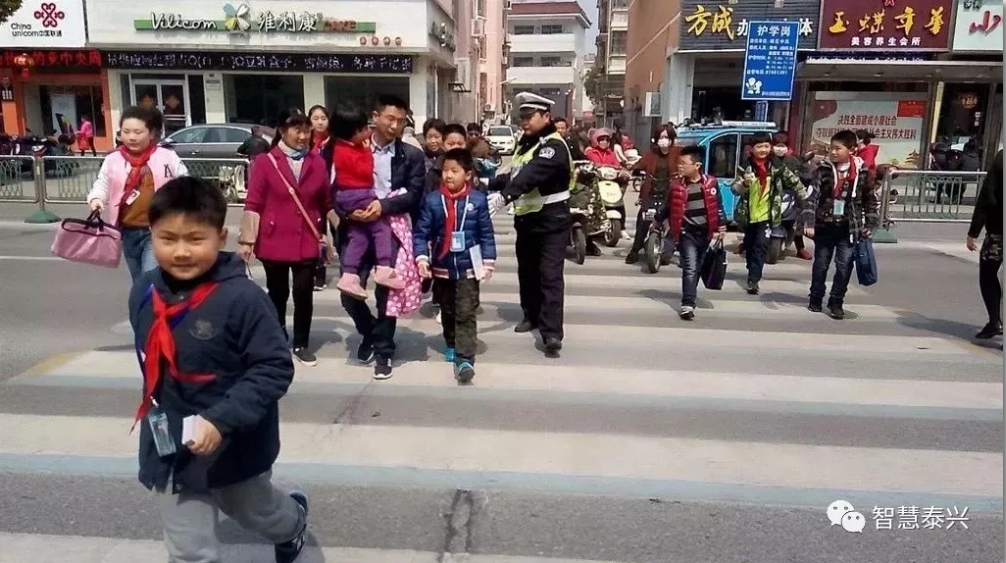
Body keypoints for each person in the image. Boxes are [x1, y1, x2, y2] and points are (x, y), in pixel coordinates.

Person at [130, 176, 308, 563]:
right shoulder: (144, 290)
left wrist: (220, 420)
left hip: (234, 439)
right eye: (167, 239)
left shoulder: (243, 299)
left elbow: (274, 367)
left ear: (221, 237)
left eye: (195, 239)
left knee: (257, 511)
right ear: (151, 234)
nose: (181, 252)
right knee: (189, 550)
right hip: (172, 443)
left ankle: (293, 523)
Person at [327, 95, 426, 380]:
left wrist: (383, 206)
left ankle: (383, 351)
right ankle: (370, 332)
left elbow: (414, 194)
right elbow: (333, 188)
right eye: (390, 119)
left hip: (389, 229)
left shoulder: (411, 155)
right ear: (376, 116)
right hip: (355, 227)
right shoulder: (349, 144)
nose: (395, 126)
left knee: (387, 294)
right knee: (349, 292)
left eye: (401, 121)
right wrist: (348, 212)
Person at [238, 108, 335, 367]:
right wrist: (247, 241)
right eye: (297, 130)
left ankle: (301, 342)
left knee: (304, 293)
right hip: (274, 238)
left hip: (307, 239)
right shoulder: (265, 162)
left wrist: (338, 229)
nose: (303, 136)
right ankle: (277, 337)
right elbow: (253, 203)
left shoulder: (317, 162)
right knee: (277, 293)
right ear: (282, 131)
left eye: (306, 130)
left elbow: (326, 202)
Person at [487, 92, 572, 355]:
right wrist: (486, 183)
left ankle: (551, 332)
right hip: (527, 219)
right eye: (521, 117)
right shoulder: (526, 145)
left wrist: (504, 197)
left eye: (529, 116)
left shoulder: (553, 146)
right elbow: (516, 174)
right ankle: (531, 315)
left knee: (549, 275)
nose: (523, 121)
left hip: (552, 220)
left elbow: (532, 175)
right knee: (527, 271)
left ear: (546, 116)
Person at [414, 148, 497, 383]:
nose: (448, 175)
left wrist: (488, 263)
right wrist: (421, 258)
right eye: (445, 171)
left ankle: (465, 359)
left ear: (468, 175)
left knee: (466, 311)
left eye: (454, 171)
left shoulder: (478, 201)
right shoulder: (433, 200)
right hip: (442, 267)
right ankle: (451, 341)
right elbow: (421, 233)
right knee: (448, 309)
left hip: (469, 266)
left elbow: (486, 234)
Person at [87, 105, 189, 282]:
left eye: (138, 132)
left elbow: (186, 185)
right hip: (127, 231)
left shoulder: (168, 157)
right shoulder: (113, 160)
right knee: (138, 280)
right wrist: (96, 199)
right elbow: (102, 184)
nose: (131, 137)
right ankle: (149, 301)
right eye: (126, 132)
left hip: (158, 230)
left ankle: (152, 300)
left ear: (151, 133)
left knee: (148, 278)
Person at [330, 104, 405, 298]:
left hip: (350, 197)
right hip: (359, 196)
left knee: (359, 236)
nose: (367, 132)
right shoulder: (351, 150)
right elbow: (363, 171)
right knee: (381, 230)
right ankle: (384, 268)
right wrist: (366, 153)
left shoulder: (339, 147)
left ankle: (349, 275)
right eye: (363, 129)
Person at [806, 130, 880, 319]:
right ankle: (815, 297)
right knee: (821, 264)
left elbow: (870, 199)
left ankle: (836, 301)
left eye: (838, 149)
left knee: (844, 266)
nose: (833, 152)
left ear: (852, 150)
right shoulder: (822, 170)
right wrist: (809, 222)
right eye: (831, 148)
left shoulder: (862, 171)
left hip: (849, 227)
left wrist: (870, 224)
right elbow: (811, 197)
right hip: (825, 226)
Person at [731, 131, 810, 295]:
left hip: (767, 214)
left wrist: (804, 196)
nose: (763, 150)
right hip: (748, 214)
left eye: (766, 146)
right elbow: (735, 190)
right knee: (750, 245)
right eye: (759, 146)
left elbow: (794, 181)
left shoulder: (777, 167)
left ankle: (753, 279)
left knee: (761, 246)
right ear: (752, 149)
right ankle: (751, 267)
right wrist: (744, 183)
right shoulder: (745, 167)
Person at [669, 146, 726, 319]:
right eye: (679, 163)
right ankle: (687, 303)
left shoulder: (711, 183)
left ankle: (690, 293)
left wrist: (721, 225)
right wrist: (656, 222)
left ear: (697, 165)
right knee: (690, 267)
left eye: (683, 163)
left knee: (698, 267)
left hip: (705, 233)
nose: (680, 166)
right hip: (687, 233)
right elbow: (668, 206)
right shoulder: (676, 185)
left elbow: (718, 205)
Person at [626, 125, 680, 265]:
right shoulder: (651, 154)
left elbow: (686, 166)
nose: (663, 140)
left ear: (671, 138)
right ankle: (635, 249)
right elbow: (640, 164)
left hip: (671, 194)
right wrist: (633, 169)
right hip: (652, 192)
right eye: (660, 137)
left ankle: (676, 250)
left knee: (676, 221)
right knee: (643, 218)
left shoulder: (678, 153)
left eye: (666, 137)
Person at [966, 148, 1003, 339]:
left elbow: (988, 197)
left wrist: (974, 231)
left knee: (988, 275)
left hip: (999, 232)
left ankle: (995, 321)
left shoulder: (1002, 159)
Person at [771, 132, 813, 261]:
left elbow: (806, 176)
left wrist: (803, 184)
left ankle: (800, 248)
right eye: (777, 144)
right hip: (770, 194)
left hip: (790, 195)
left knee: (797, 219)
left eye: (783, 145)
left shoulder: (795, 160)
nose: (780, 147)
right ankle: (746, 243)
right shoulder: (767, 158)